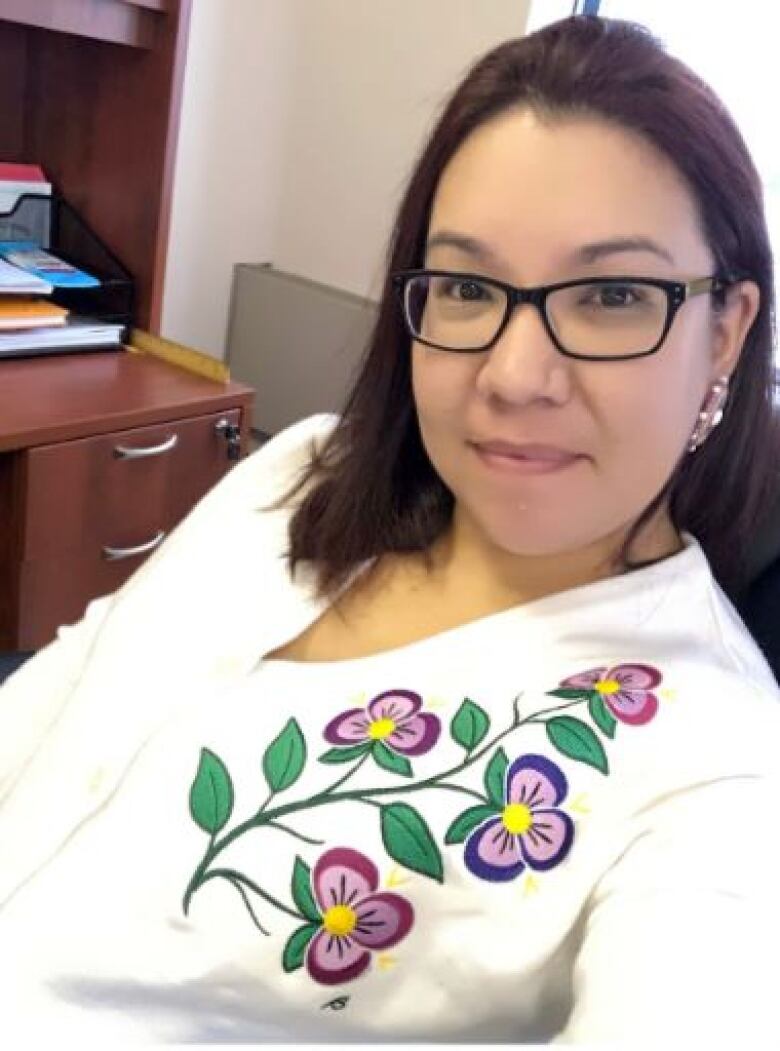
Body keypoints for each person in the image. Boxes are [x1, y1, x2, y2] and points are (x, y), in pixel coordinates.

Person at [1, 13, 779, 1045]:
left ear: (725, 329)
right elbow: (61, 690)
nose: (512, 375)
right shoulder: (299, 471)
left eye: (610, 296)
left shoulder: (718, 767)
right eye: (465, 286)